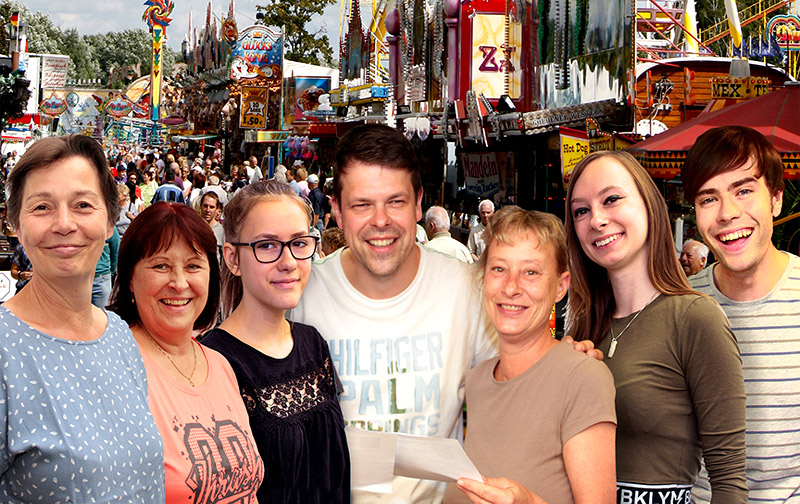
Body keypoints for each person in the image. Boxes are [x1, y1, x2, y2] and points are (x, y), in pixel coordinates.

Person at [292, 124, 499, 503]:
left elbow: (516, 384)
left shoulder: (466, 289)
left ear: (419, 203)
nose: (381, 220)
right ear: (336, 210)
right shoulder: (302, 298)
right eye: (362, 205)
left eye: (395, 201)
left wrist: (565, 362)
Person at [565, 150, 747, 503]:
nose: (597, 220)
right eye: (581, 211)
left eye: (611, 199)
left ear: (649, 205)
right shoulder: (582, 329)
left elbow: (728, 482)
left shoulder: (695, 319)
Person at [0, 134, 165, 501]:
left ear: (110, 223)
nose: (64, 223)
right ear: (16, 225)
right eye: (42, 207)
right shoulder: (4, 349)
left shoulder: (118, 335)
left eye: (83, 205)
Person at [447, 206, 616, 504]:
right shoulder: (476, 381)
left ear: (560, 287)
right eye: (499, 269)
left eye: (531, 272)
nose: (512, 287)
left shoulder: (583, 378)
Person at [203, 181, 350, 504]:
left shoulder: (313, 344)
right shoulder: (212, 362)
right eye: (267, 246)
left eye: (299, 243)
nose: (288, 262)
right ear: (233, 259)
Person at [107, 202, 264, 502]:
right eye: (160, 266)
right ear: (129, 277)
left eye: (193, 265)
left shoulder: (220, 365)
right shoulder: (118, 367)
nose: (179, 283)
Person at [682, 125, 800, 504]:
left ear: (776, 199)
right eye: (708, 199)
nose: (728, 214)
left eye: (744, 191)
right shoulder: (677, 307)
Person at [199, 191, 225, 256]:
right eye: (205, 206)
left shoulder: (222, 232)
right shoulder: (193, 229)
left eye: (211, 207)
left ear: (217, 209)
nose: (208, 210)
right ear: (200, 206)